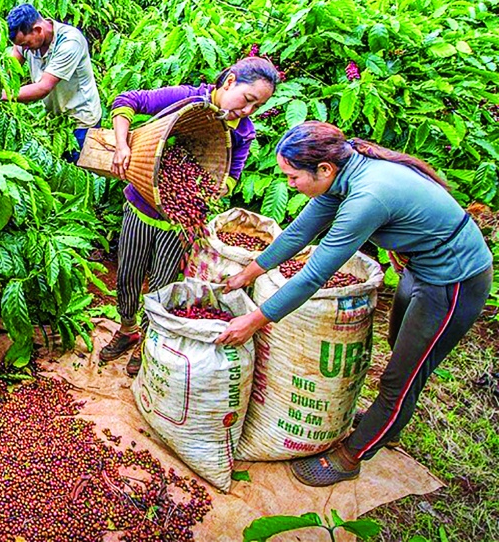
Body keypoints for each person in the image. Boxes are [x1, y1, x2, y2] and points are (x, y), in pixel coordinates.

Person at [219, 121, 493, 487]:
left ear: (324, 170)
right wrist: (247, 274)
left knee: (401, 377)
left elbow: (315, 274)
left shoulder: (366, 197)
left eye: (292, 177)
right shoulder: (341, 176)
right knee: (400, 351)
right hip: (418, 269)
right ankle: (388, 423)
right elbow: (300, 232)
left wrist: (254, 320)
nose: (289, 185)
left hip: (453, 282)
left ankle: (352, 456)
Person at [100, 57, 280, 376]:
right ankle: (128, 330)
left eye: (258, 106)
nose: (249, 111)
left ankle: (148, 343)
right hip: (140, 207)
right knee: (127, 276)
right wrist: (122, 146)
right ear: (229, 82)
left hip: (179, 223)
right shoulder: (188, 98)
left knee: (161, 287)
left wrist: (217, 187)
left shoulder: (243, 133)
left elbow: (232, 175)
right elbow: (126, 101)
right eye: (248, 100)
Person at [4, 4, 102, 160]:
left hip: (81, 121)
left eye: (26, 44)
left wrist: (2, 95)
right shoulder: (25, 42)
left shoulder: (69, 42)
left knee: (81, 170)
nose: (25, 49)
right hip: (56, 120)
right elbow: (12, 63)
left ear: (37, 30)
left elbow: (43, 88)